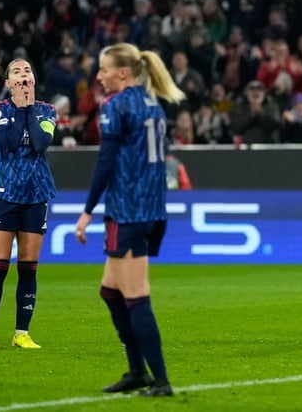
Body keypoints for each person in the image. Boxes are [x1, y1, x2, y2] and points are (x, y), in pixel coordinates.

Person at [74, 43, 185, 396]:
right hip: (152, 210)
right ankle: (137, 371)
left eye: (104, 69)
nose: (99, 76)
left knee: (136, 297)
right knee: (110, 291)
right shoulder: (152, 104)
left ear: (123, 72)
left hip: (129, 211)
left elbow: (105, 162)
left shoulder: (116, 105)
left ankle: (161, 380)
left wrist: (87, 210)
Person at [0, 58, 57, 350]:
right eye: (16, 72)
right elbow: (10, 142)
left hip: (36, 195)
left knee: (28, 267)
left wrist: (29, 108)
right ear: (8, 83)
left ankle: (21, 333)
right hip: (5, 193)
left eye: (27, 70)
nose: (23, 75)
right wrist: (22, 108)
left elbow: (40, 143)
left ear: (34, 79)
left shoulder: (48, 111)